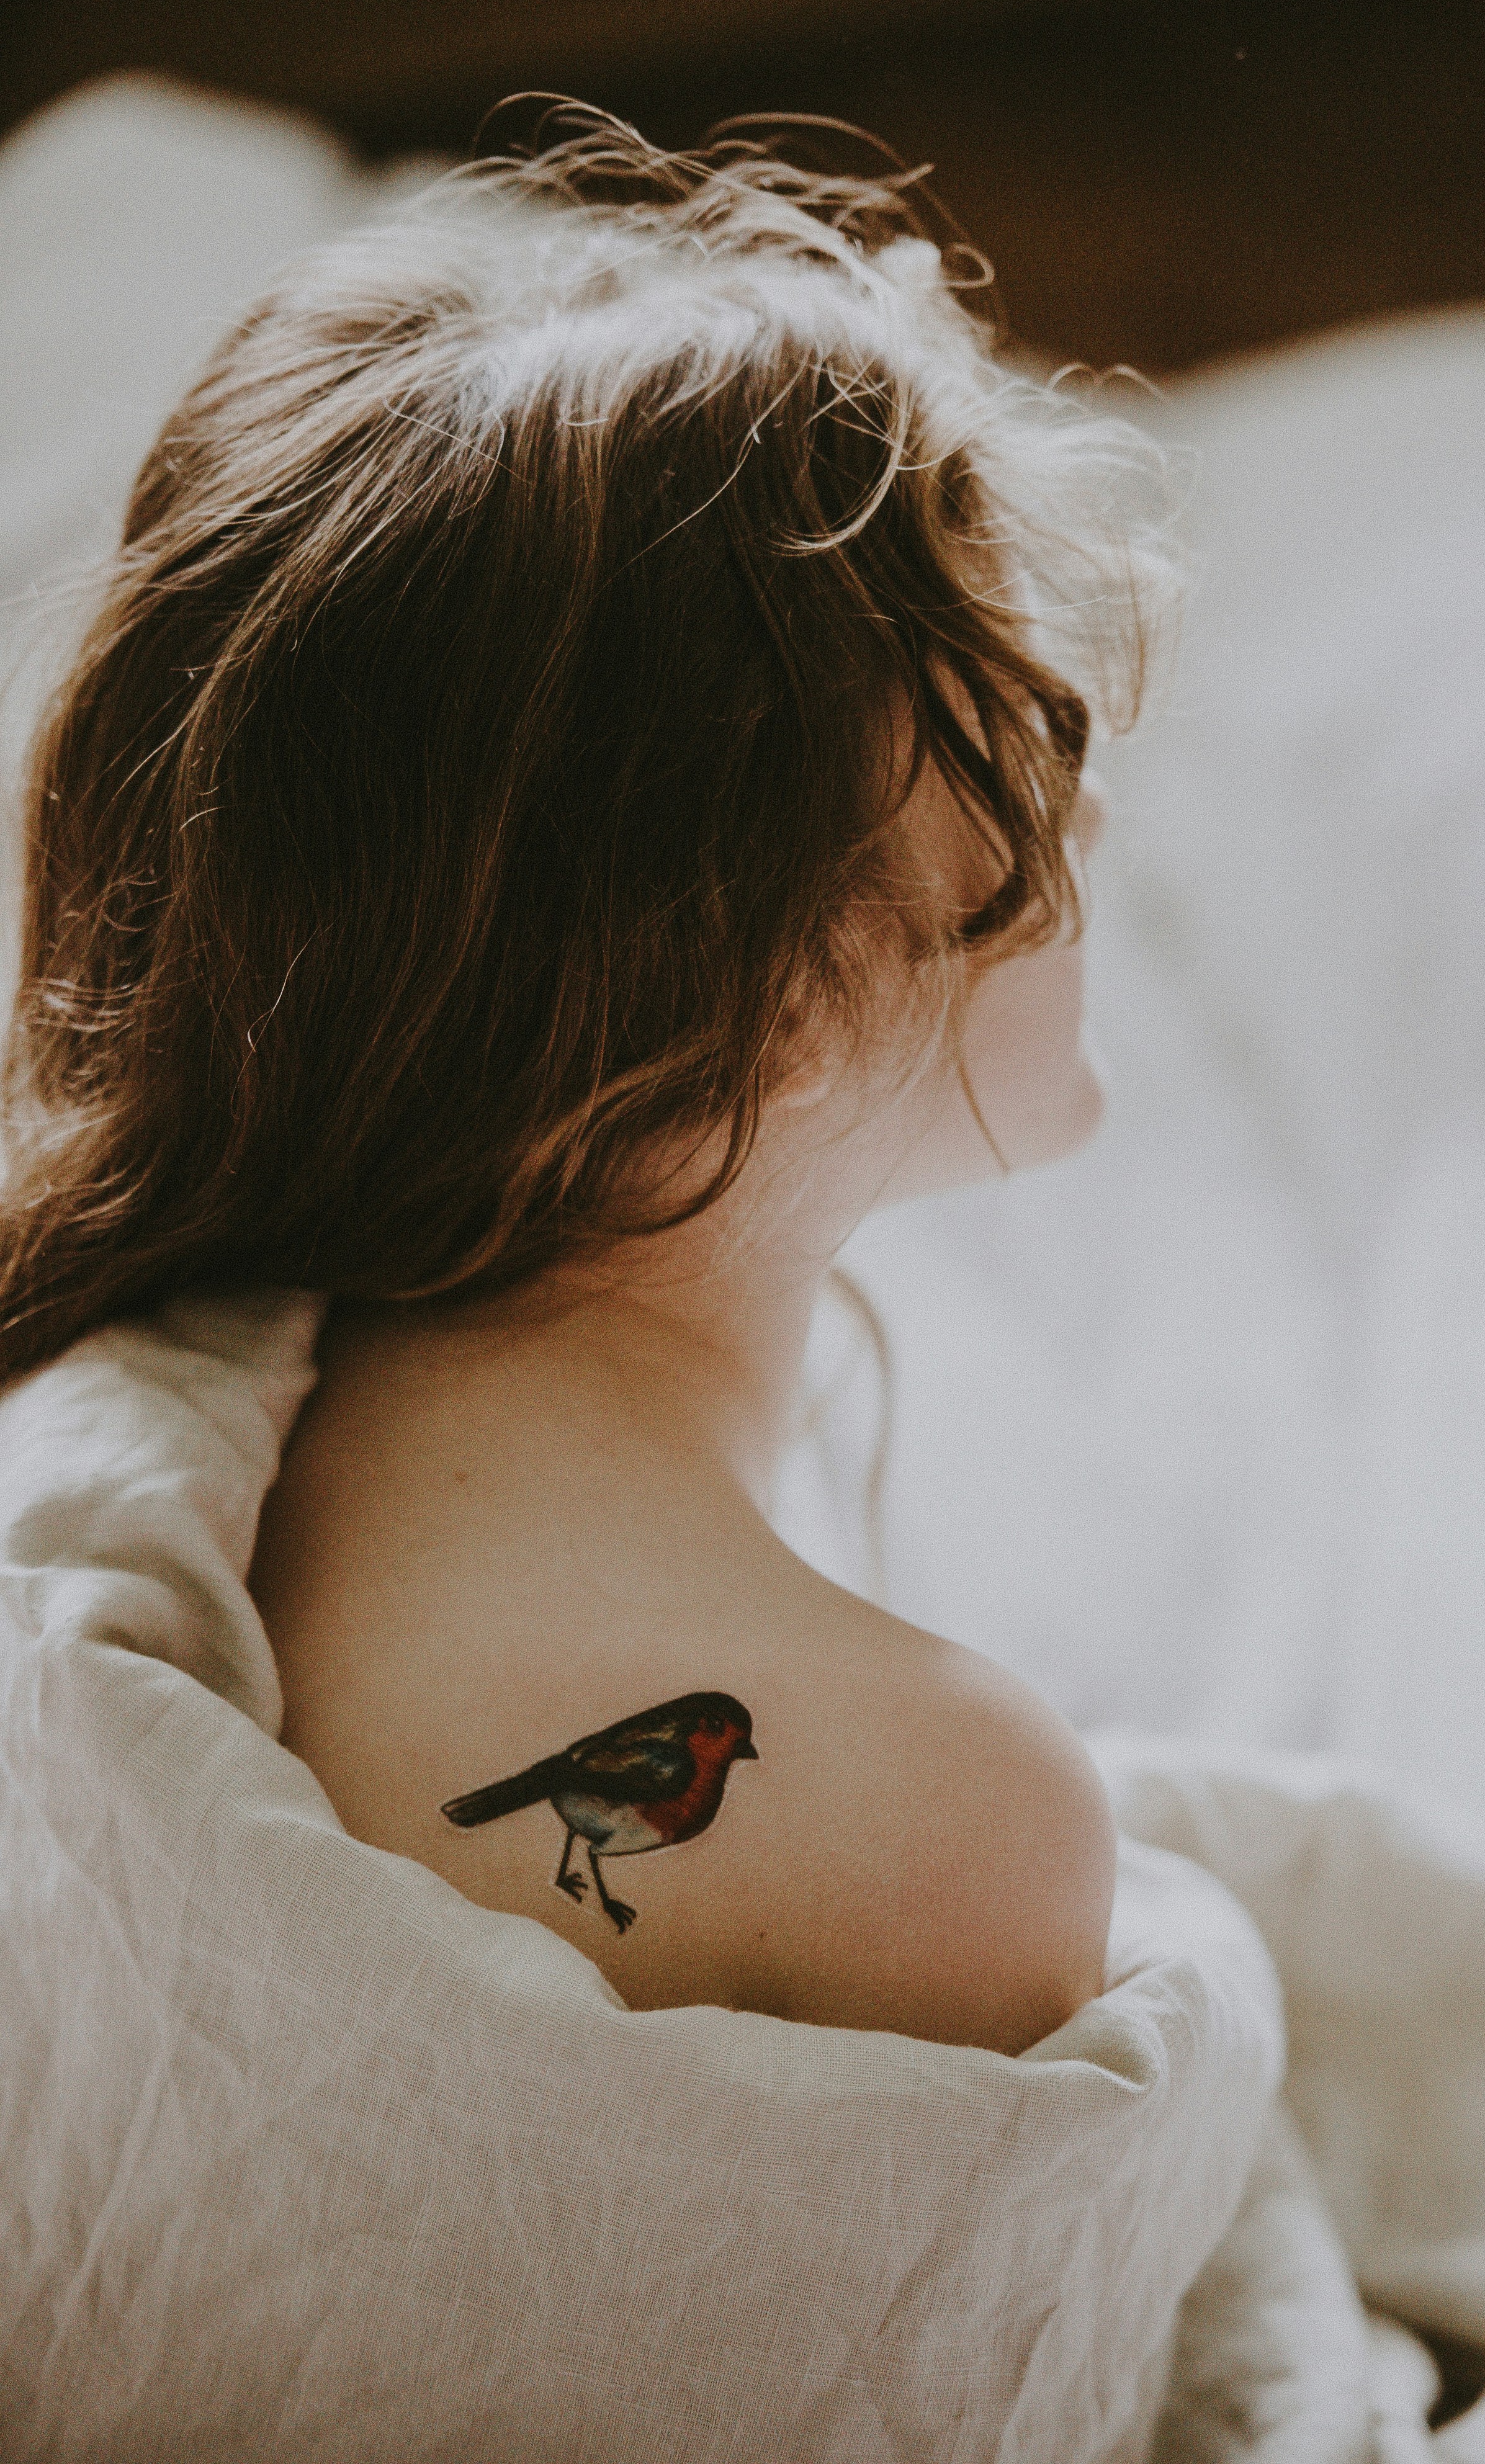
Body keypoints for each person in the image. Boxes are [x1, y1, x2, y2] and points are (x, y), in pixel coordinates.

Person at [0, 113, 1173, 2058]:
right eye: (1014, 746)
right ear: (720, 989)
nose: (1095, 812)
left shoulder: (251, 1485)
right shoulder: (945, 1820)